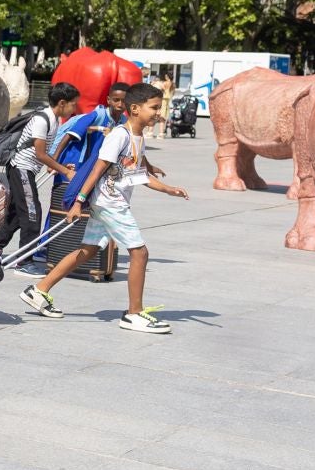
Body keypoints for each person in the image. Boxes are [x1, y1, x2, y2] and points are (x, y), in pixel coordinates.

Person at [21, 82, 189, 333]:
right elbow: (96, 171)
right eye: (153, 107)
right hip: (111, 204)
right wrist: (78, 202)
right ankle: (134, 314)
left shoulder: (138, 136)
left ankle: (39, 290)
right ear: (135, 109)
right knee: (140, 253)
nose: (158, 112)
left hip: (109, 202)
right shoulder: (119, 136)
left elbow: (138, 174)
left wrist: (168, 188)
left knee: (88, 250)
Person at [0, 82, 81, 275]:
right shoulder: (43, 119)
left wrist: (57, 166)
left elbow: (43, 153)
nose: (75, 108)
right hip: (21, 169)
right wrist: (65, 171)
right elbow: (40, 154)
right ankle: (24, 261)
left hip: (26, 170)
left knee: (17, 214)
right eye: (74, 104)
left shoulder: (54, 119)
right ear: (62, 103)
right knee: (32, 214)